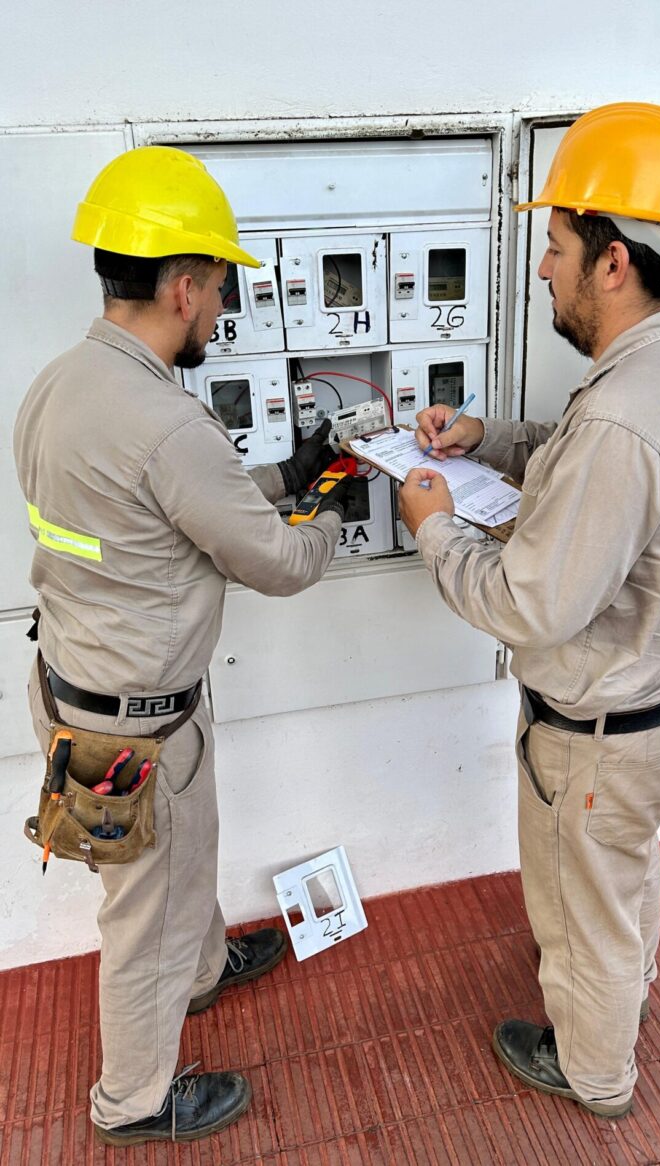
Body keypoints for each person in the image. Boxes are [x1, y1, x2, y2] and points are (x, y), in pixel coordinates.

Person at [399, 103, 660, 1119]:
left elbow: (530, 602)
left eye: (554, 246)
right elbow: (588, 451)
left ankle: (594, 1068)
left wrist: (431, 521)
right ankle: (622, 996)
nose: (541, 267)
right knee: (621, 880)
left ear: (612, 262)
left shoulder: (629, 411)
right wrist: (488, 437)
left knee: (579, 912)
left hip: (596, 740)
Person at [14, 146, 350, 1146]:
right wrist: (332, 499)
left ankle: (202, 970)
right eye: (218, 290)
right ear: (183, 284)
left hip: (74, 692)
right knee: (142, 917)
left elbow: (163, 508)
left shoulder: (56, 385)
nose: (220, 312)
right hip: (141, 731)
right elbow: (281, 565)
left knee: (169, 869)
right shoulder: (167, 420)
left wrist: (288, 470)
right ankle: (133, 1101)